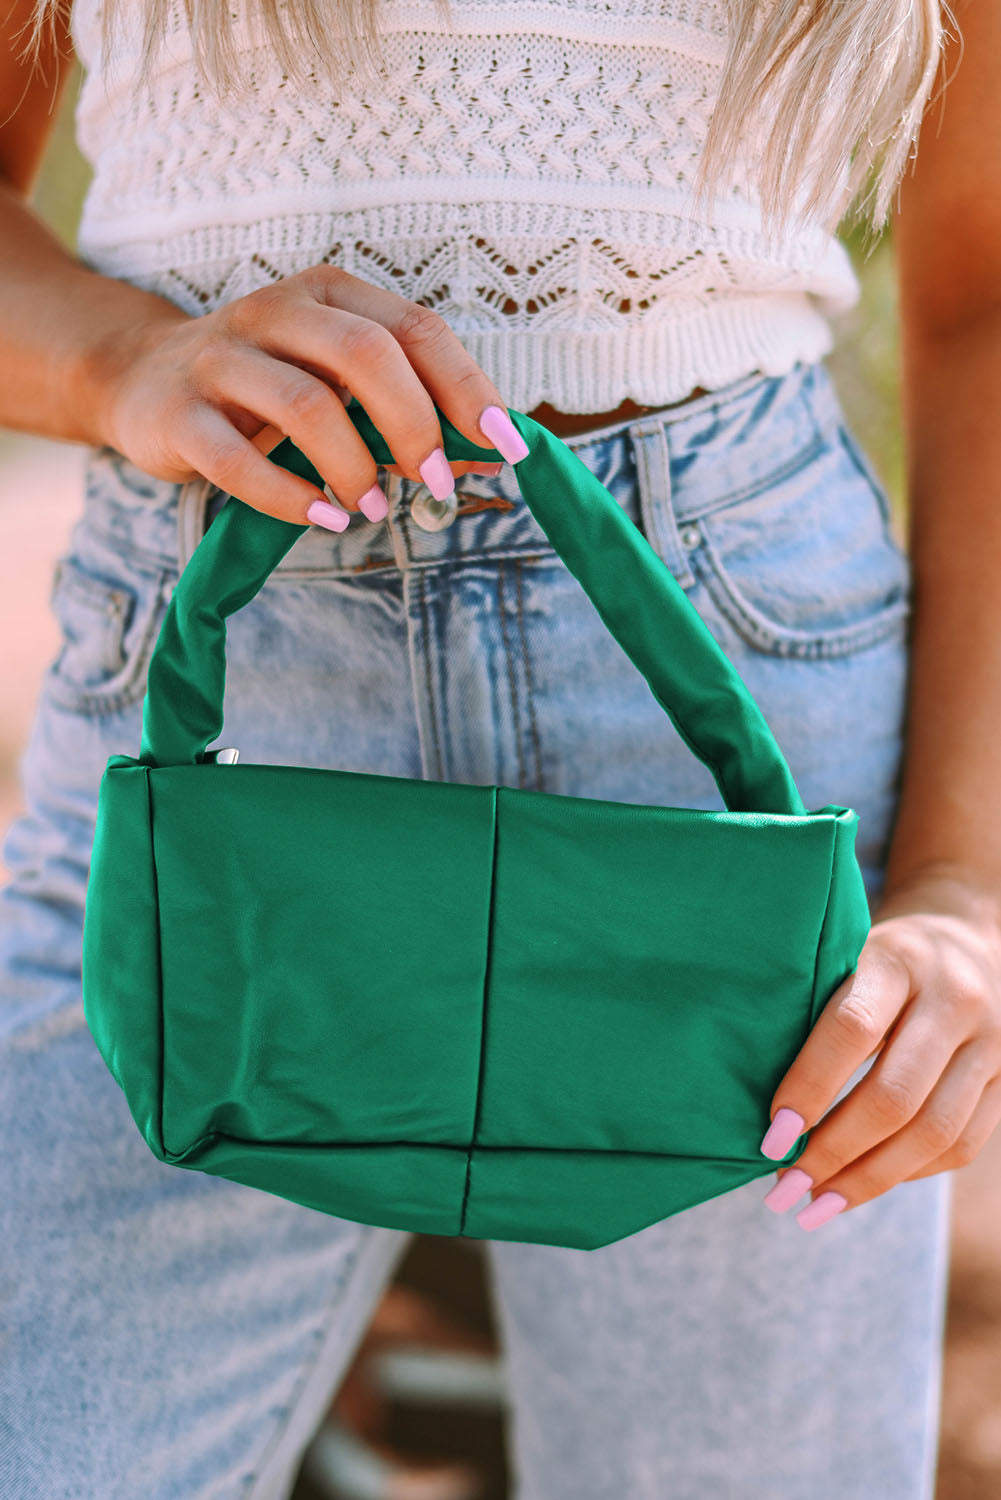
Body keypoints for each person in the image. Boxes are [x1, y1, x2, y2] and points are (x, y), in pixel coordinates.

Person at [1, 0, 998, 1495]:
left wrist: (967, 885)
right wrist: (118, 361)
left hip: (725, 729)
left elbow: (984, 293)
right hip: (219, 706)